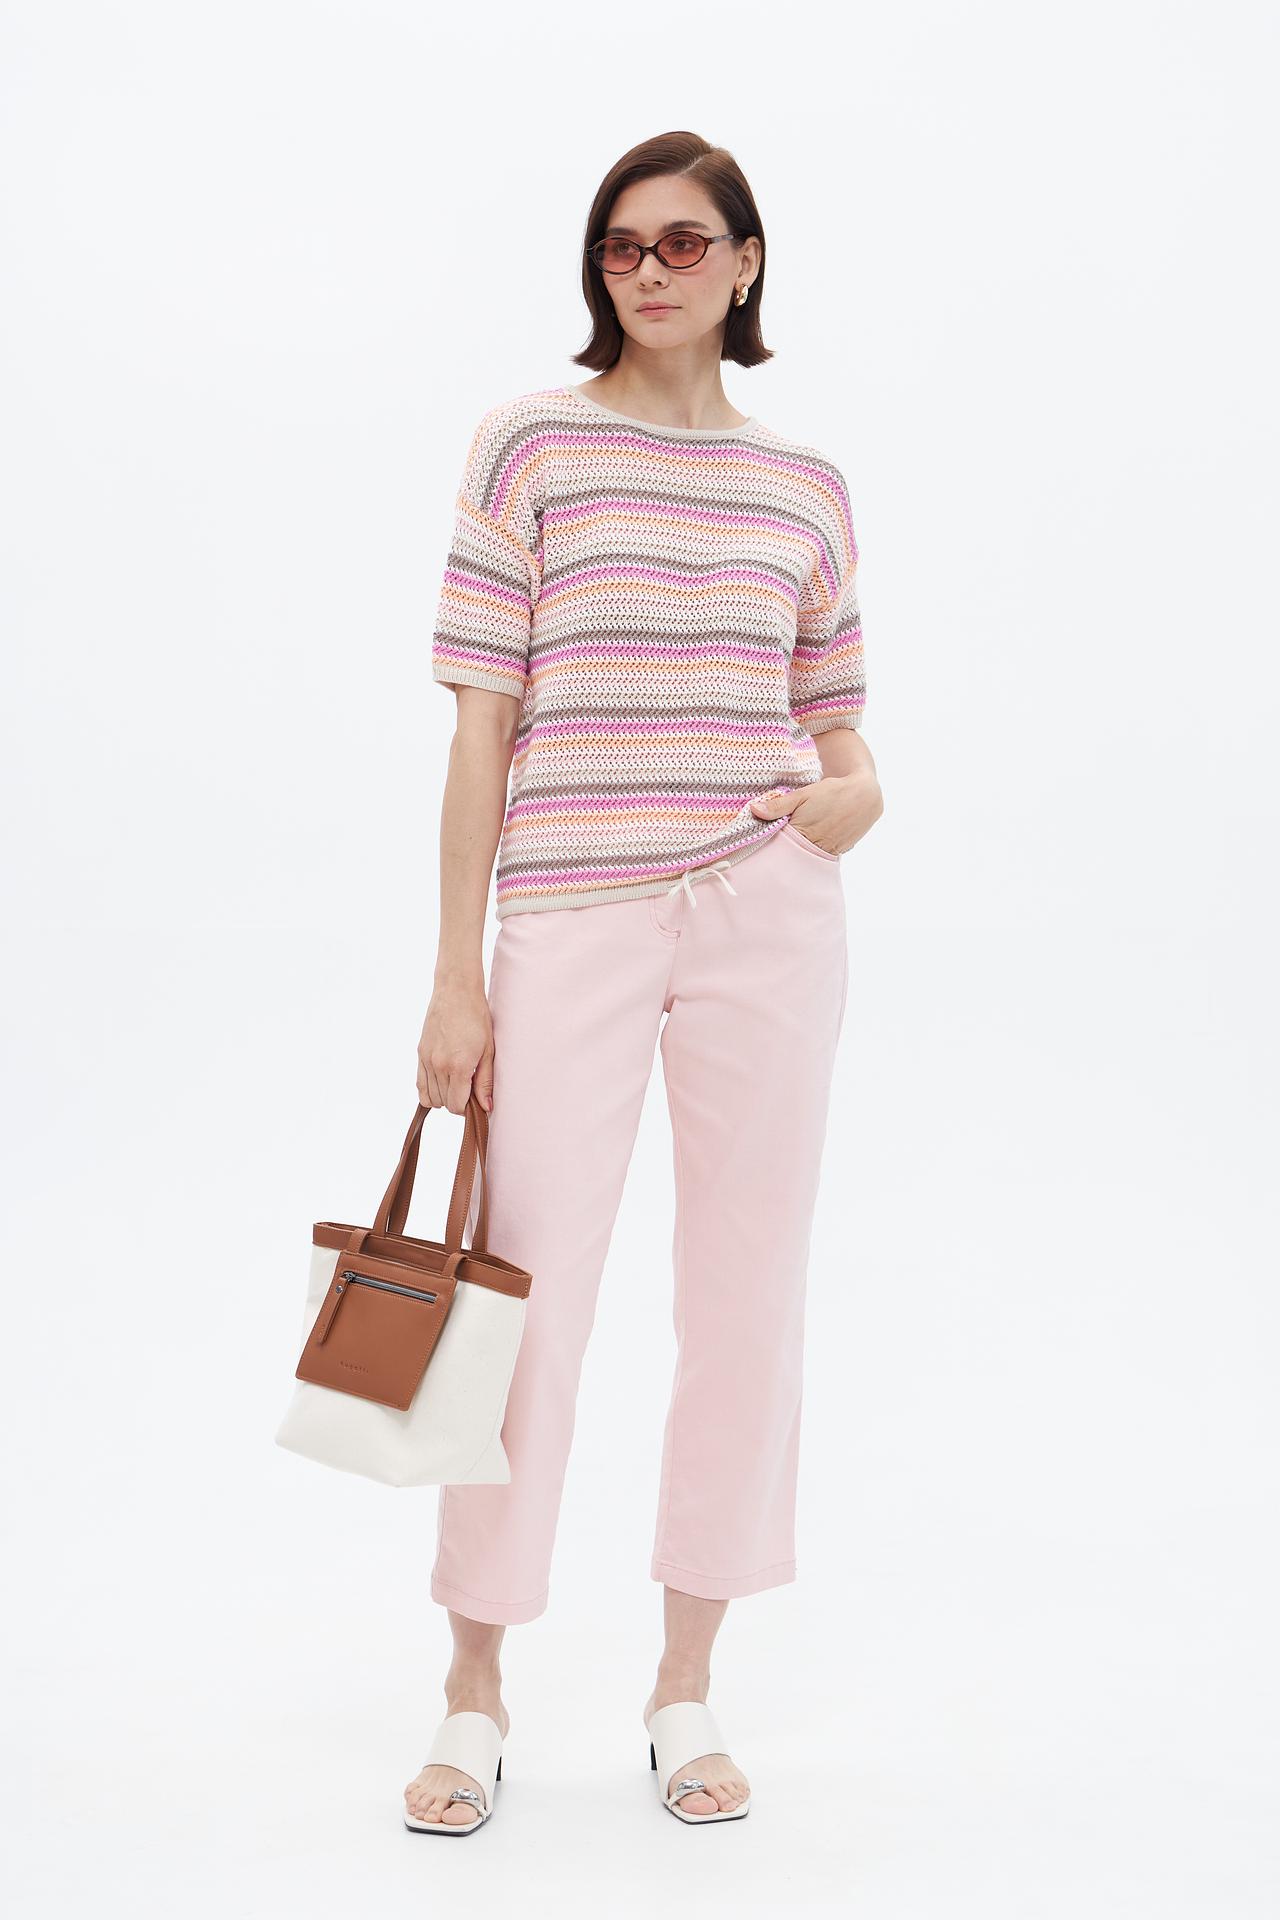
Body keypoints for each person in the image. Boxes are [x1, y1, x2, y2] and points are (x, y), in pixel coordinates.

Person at [403, 128, 884, 1834]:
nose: (651, 270)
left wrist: (852, 797)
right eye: (622, 246)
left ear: (746, 263)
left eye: (686, 243)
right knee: (522, 1298)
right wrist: (455, 977)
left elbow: (842, 728)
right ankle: (476, 1685)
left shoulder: (808, 483)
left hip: (768, 907)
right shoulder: (529, 446)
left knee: (748, 1297)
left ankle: (687, 1685)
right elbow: (482, 731)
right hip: (574, 914)